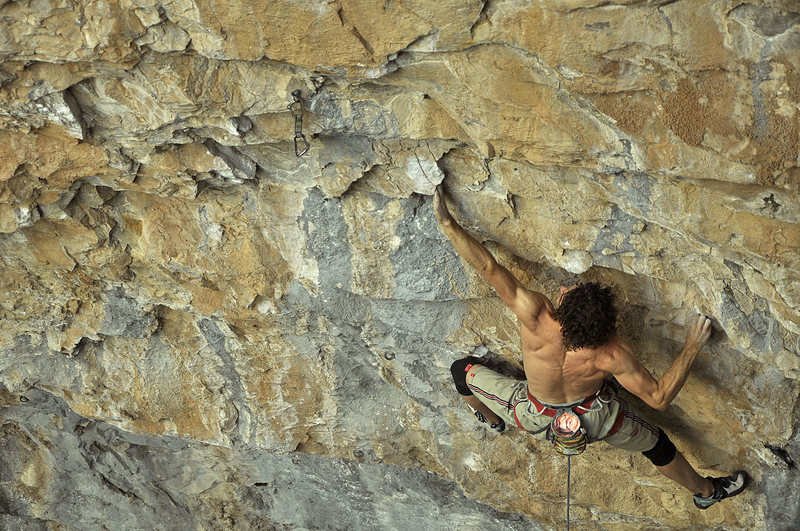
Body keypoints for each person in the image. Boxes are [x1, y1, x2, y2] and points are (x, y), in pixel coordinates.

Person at [434, 184, 747, 510]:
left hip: (533, 415)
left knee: (461, 371)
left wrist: (447, 224)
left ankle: (493, 420)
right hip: (597, 419)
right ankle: (707, 493)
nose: (568, 286)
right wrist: (692, 346)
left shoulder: (536, 315)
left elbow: (488, 267)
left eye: (568, 291)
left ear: (560, 307)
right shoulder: (611, 352)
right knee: (658, 446)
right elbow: (659, 397)